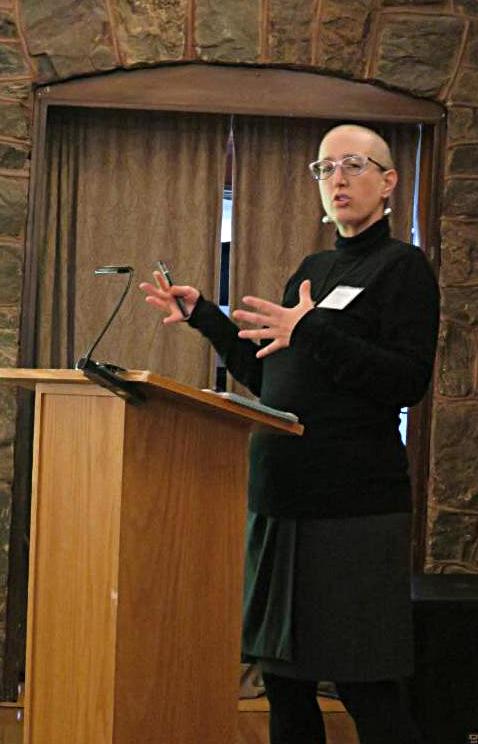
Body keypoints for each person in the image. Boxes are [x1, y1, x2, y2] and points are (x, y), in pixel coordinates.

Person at [139, 124, 439, 744]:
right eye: (325, 169)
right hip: (280, 502)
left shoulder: (402, 268)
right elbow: (271, 379)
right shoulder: (313, 269)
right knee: (283, 681)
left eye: (353, 165)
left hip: (352, 506)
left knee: (365, 684)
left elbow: (406, 381)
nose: (337, 179)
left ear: (389, 181)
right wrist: (207, 318)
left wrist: (312, 330)